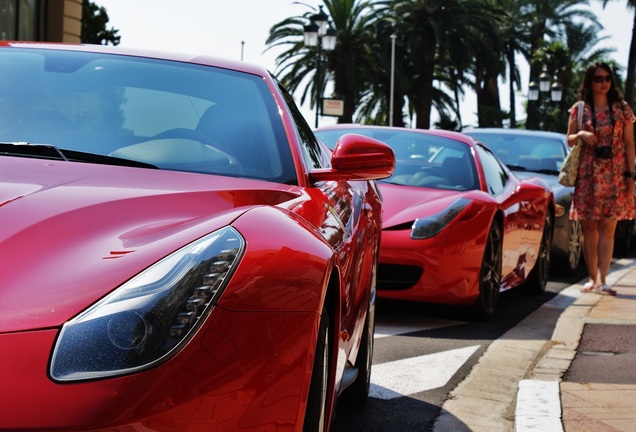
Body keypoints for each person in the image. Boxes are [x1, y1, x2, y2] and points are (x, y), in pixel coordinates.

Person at [567, 62, 636, 295]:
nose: (603, 82)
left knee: (608, 227)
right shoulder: (579, 109)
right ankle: (591, 278)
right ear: (590, 81)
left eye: (607, 78)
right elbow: (568, 139)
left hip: (615, 174)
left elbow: (629, 143)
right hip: (588, 175)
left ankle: (604, 280)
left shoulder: (622, 109)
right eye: (598, 78)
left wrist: (631, 174)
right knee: (589, 228)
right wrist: (581, 134)